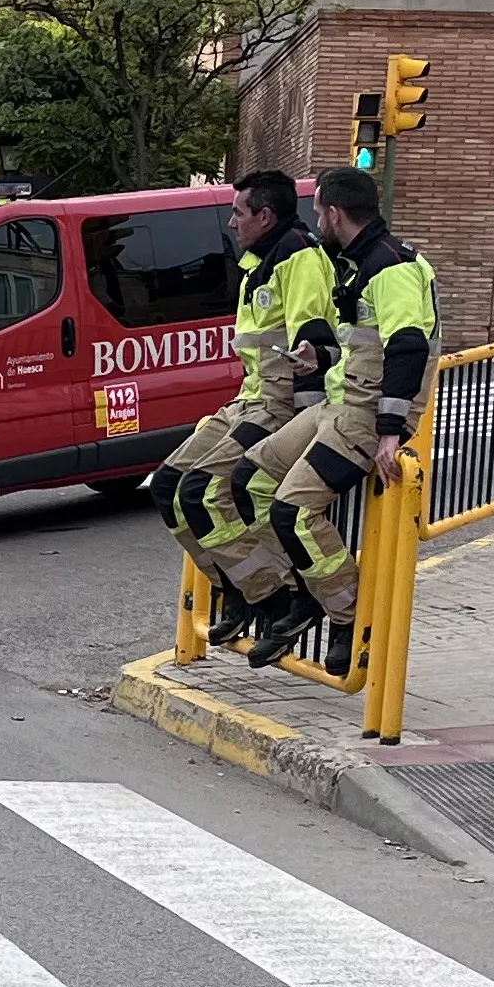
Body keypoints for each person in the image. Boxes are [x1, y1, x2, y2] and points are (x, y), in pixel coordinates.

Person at [219, 166, 437, 670]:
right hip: (339, 404)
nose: (316, 221)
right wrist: (323, 360)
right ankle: (304, 591)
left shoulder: (391, 268)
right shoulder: (358, 264)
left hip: (366, 416)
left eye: (318, 212)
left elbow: (407, 347)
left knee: (293, 510)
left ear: (334, 213)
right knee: (248, 478)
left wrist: (389, 433)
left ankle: (346, 611)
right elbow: (366, 346)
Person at [152, 171, 331, 639]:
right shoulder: (261, 260)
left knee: (204, 492)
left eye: (238, 212)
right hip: (249, 398)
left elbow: (313, 345)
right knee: (168, 485)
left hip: (279, 402)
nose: (231, 222)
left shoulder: (300, 259)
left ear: (265, 215)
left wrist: (304, 432)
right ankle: (238, 590)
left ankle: (276, 599)